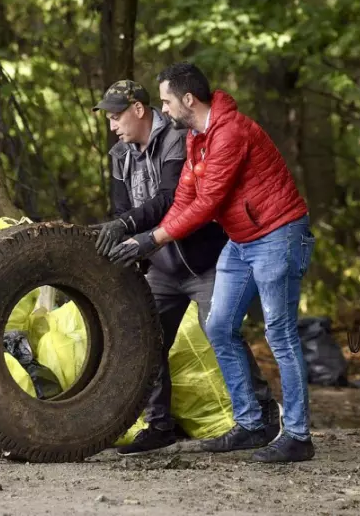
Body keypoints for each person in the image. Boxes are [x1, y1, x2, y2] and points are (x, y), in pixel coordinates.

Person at [108, 63, 315, 463]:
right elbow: (185, 197)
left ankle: (298, 435)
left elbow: (207, 205)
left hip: (279, 233)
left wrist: (153, 238)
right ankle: (252, 424)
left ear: (188, 100)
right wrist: (144, 240)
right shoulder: (196, 138)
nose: (163, 110)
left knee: (280, 333)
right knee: (219, 326)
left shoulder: (230, 132)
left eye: (166, 101)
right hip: (242, 239)